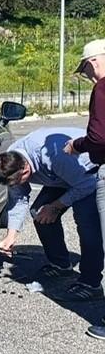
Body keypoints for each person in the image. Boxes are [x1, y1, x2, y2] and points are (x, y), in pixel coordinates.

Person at [0, 128, 101, 301]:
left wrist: (55, 206)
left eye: (15, 182)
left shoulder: (54, 155)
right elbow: (18, 199)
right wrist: (11, 235)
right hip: (62, 177)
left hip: (90, 173)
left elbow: (86, 185)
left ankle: (91, 283)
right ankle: (60, 265)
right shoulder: (11, 161)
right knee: (39, 213)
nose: (14, 186)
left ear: (25, 170)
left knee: (87, 225)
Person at [65, 39, 105, 337]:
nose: (88, 76)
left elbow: (99, 137)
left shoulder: (102, 88)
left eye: (86, 69)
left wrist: (78, 145)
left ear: (94, 61)